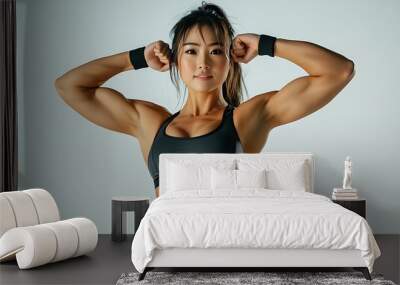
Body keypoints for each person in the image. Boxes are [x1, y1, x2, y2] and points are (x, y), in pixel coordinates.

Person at [54, 1, 355, 198]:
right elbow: (69, 86)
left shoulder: (245, 119)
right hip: (167, 251)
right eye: (191, 51)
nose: (203, 63)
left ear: (229, 61)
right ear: (174, 59)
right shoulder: (149, 122)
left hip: (222, 243)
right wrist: (137, 58)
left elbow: (339, 71)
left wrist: (265, 44)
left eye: (215, 51)